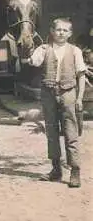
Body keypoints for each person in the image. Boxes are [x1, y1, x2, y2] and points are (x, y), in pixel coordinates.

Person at [21, 17, 86, 188]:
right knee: (51, 132)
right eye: (58, 30)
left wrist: (79, 98)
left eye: (65, 30)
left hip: (68, 94)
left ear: (70, 33)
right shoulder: (44, 49)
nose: (61, 33)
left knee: (71, 132)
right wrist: (28, 48)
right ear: (52, 31)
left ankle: (75, 171)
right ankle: (56, 169)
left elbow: (81, 76)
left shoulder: (75, 51)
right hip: (48, 94)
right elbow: (32, 61)